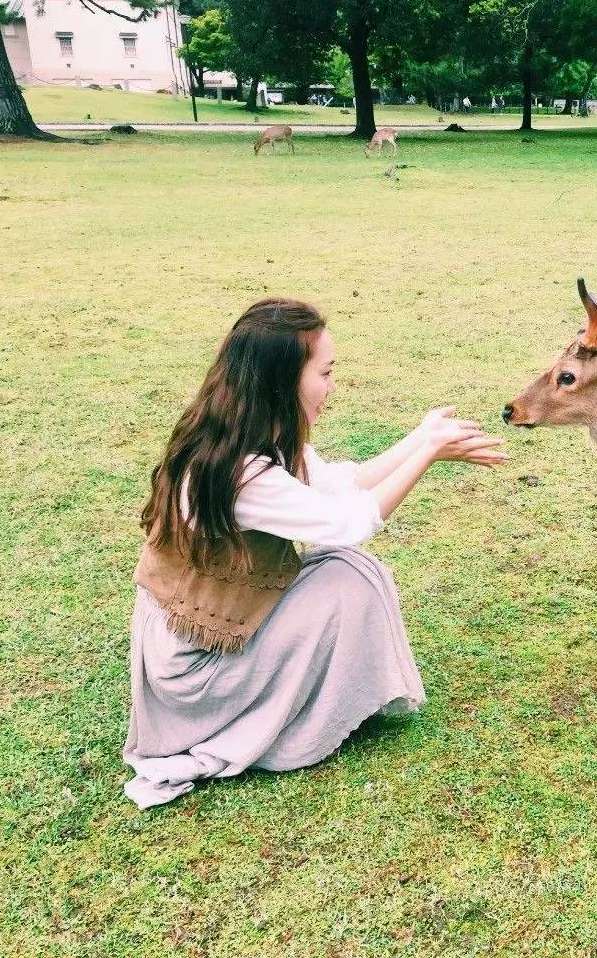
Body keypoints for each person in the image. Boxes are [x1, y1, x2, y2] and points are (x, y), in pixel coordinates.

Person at [122, 298, 507, 808]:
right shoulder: (242, 471)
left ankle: (329, 698)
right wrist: (428, 456)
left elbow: (338, 485)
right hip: (194, 665)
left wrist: (421, 439)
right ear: (283, 378)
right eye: (324, 373)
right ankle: (257, 723)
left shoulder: (248, 430)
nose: (332, 386)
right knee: (349, 573)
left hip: (198, 631)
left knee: (350, 572)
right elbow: (349, 523)